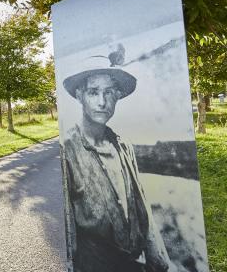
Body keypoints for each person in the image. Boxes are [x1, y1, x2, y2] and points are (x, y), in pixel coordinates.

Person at [61, 68, 172, 272]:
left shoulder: (123, 146)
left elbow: (141, 203)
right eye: (93, 92)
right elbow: (67, 227)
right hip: (93, 264)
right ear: (79, 96)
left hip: (132, 263)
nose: (102, 102)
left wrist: (158, 259)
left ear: (118, 96)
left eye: (109, 92)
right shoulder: (67, 149)